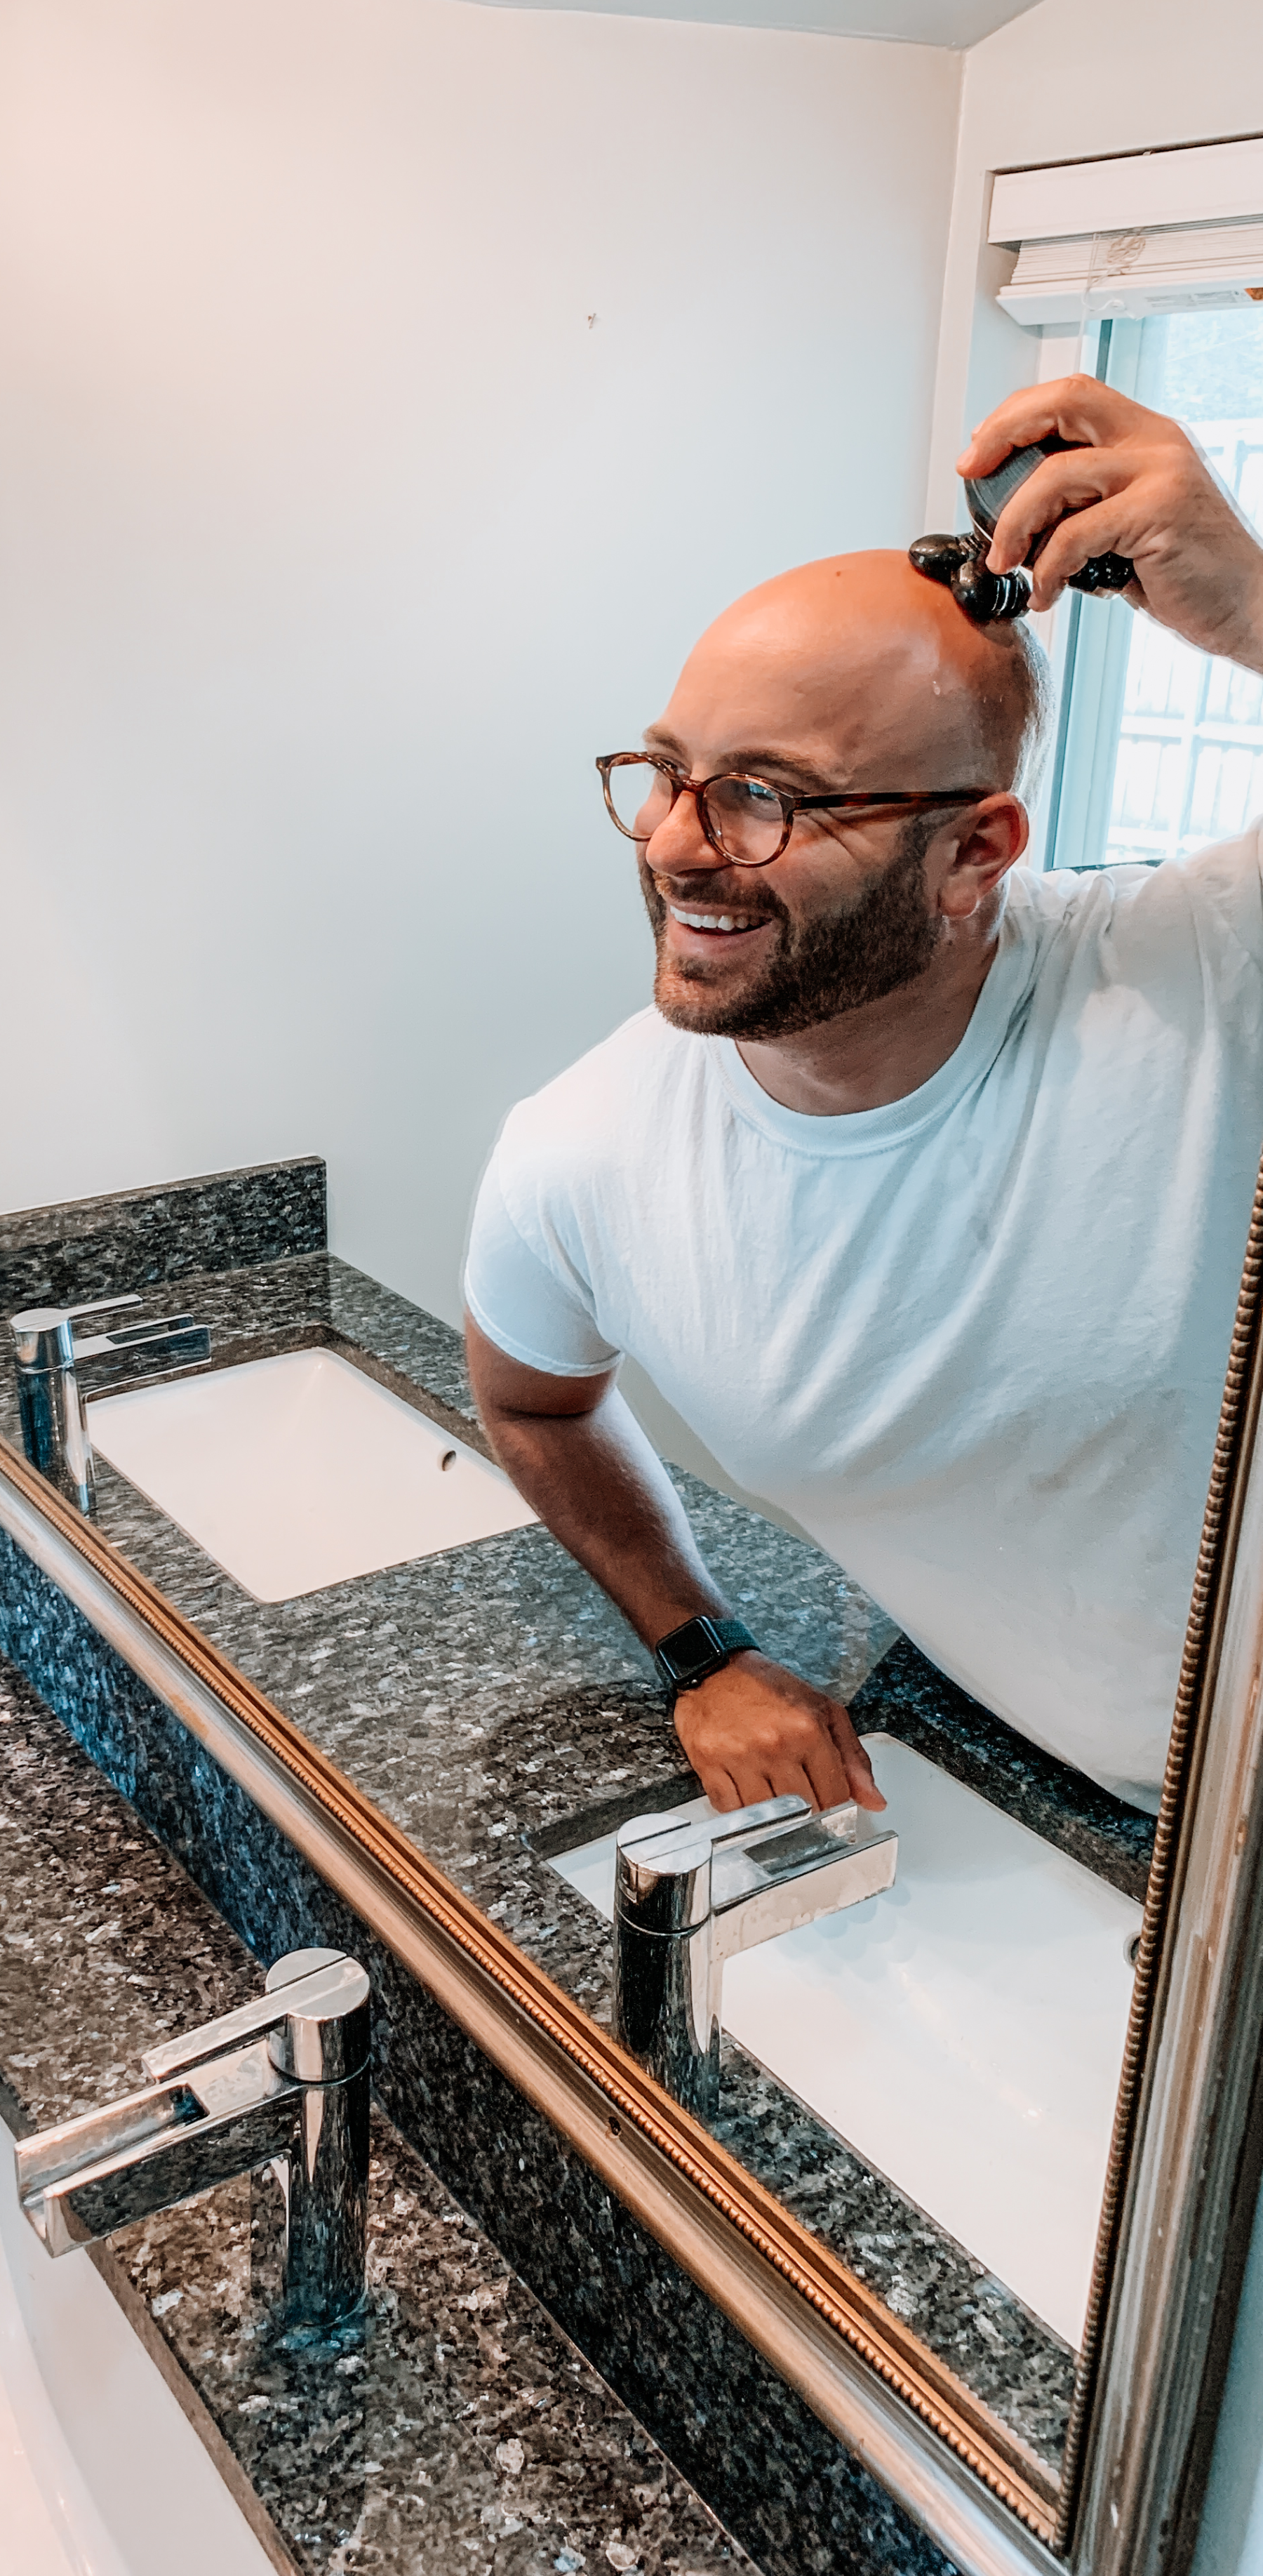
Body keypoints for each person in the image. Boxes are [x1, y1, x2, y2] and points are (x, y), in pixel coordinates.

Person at [464, 374, 1263, 1824]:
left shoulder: (1202, 975)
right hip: (1091, 1819)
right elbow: (533, 1400)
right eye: (665, 772)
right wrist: (702, 1646)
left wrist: (1257, 605)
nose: (673, 845)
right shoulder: (580, 1158)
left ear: (977, 851)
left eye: (764, 794)